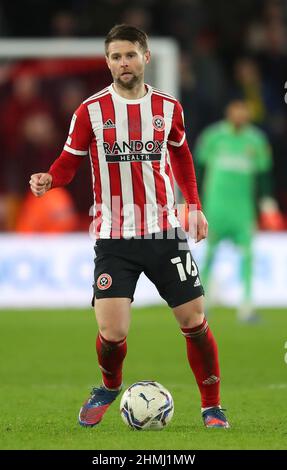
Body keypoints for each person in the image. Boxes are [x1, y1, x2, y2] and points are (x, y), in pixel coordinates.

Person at [29, 24, 229, 429]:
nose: (124, 62)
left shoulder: (168, 108)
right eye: (116, 56)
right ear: (107, 62)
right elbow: (69, 161)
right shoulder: (90, 111)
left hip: (165, 232)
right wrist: (50, 177)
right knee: (113, 331)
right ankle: (109, 385)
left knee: (194, 319)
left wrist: (193, 205)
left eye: (130, 55)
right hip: (113, 236)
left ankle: (211, 406)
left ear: (145, 58)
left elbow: (182, 157)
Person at [195, 99, 282, 322]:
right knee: (209, 255)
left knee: (248, 256)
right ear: (229, 112)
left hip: (243, 210)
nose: (240, 115)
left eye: (244, 112)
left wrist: (267, 202)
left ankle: (246, 305)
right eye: (236, 111)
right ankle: (201, 303)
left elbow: (264, 175)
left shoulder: (256, 140)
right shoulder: (213, 136)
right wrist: (194, 201)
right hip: (215, 208)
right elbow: (198, 168)